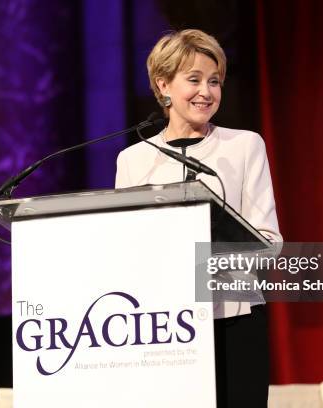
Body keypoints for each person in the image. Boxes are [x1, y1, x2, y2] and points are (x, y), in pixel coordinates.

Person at [115, 29, 283, 407]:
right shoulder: (133, 160)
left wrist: (205, 263)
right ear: (164, 85)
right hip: (163, 327)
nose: (206, 91)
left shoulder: (244, 146)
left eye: (215, 81)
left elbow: (269, 240)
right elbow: (125, 249)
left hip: (236, 317)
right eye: (194, 80)